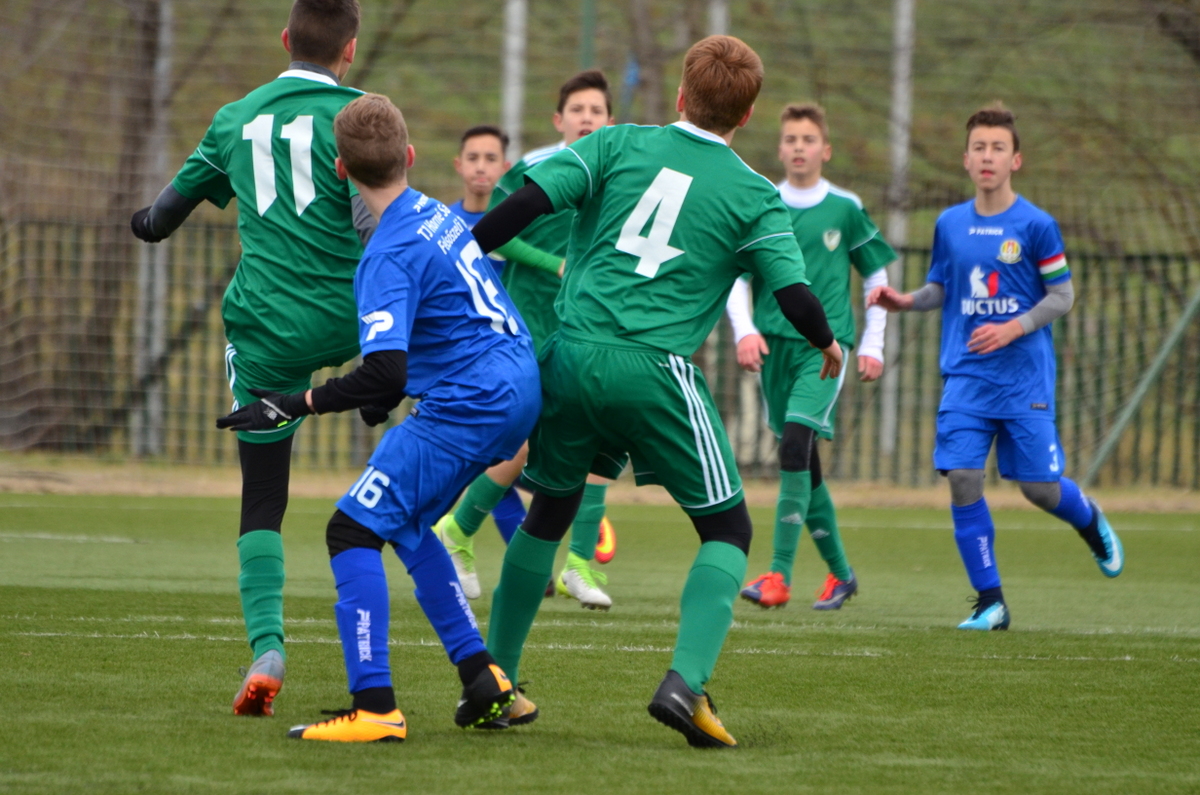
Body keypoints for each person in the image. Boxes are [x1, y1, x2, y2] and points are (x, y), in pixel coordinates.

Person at [470, 35, 843, 747]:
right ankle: (684, 682)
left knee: (550, 509)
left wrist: (466, 248)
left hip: (572, 354)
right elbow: (793, 295)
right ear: (749, 113)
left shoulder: (615, 144)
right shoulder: (754, 194)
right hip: (652, 368)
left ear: (679, 95)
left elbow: (528, 201)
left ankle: (496, 682)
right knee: (728, 530)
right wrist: (826, 342)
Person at [217, 93, 541, 741]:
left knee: (350, 529)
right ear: (412, 156)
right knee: (408, 521)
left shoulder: (387, 253)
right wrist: (376, 397)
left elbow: (385, 373)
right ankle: (485, 679)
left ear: (339, 170)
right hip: (517, 384)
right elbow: (420, 344)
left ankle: (375, 705)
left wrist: (294, 400)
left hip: (468, 402)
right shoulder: (436, 214)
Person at [129, 0, 374, 717]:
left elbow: (161, 218)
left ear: (285, 39)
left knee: (263, 494)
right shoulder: (365, 115)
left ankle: (268, 643)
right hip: (361, 319)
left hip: (270, 329)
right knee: (401, 400)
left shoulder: (235, 118)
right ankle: (382, 396)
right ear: (349, 51)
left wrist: (143, 221)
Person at [867, 103, 1123, 631]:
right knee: (962, 477)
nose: (988, 156)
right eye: (979, 148)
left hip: (1023, 379)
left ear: (1015, 160)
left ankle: (1090, 520)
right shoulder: (950, 224)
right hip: (965, 376)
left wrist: (1014, 327)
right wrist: (907, 301)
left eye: (997, 148)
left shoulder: (1036, 225)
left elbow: (1063, 296)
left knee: (1039, 490)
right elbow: (942, 287)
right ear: (966, 160)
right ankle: (991, 602)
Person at [434, 71, 619, 611]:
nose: (588, 118)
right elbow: (497, 232)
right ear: (559, 120)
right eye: (578, 109)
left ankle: (579, 567)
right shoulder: (534, 170)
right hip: (529, 326)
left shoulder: (619, 174)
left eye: (598, 110)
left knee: (594, 438)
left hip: (587, 330)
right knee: (515, 447)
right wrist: (555, 263)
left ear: (610, 121)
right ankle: (460, 532)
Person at [728, 103, 895, 610]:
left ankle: (777, 576)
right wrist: (745, 330)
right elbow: (738, 275)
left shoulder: (844, 207)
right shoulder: (763, 202)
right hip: (774, 350)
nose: (799, 147)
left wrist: (870, 343)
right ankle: (841, 575)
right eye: (790, 139)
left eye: (808, 139)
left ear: (826, 150)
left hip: (825, 351)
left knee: (794, 444)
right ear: (779, 149)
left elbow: (877, 276)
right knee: (807, 463)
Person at [449, 125, 511, 278]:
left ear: (505, 167)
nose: (480, 167)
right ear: (459, 165)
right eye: (472, 158)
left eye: (491, 159)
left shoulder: (518, 221)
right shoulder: (444, 221)